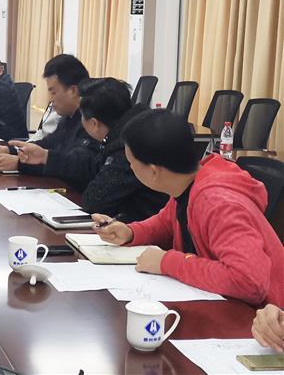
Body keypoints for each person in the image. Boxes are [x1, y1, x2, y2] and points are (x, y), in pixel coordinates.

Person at [94, 109, 284, 307]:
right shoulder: (188, 185)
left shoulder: (218, 203)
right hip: (223, 304)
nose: (130, 168)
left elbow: (249, 282)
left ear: (153, 171)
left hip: (262, 316)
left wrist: (167, 262)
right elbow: (165, 223)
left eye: (131, 162)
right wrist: (131, 232)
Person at [10, 78, 168, 222]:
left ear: (94, 123)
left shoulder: (128, 145)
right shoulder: (126, 129)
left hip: (143, 230)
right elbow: (92, 167)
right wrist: (46, 157)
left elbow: (94, 201)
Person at [0, 54, 97, 183]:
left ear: (73, 91)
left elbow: (77, 167)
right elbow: (46, 144)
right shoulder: (69, 117)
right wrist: (7, 149)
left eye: (53, 92)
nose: (51, 100)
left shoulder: (92, 121)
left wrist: (20, 164)